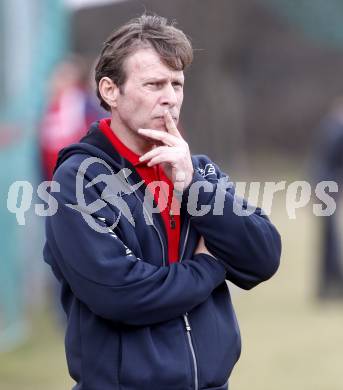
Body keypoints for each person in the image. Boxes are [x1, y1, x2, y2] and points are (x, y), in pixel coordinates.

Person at [43, 14, 281, 390]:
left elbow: (263, 258)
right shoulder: (77, 180)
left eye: (177, 84)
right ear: (110, 91)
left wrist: (194, 188)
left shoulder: (198, 171)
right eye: (154, 84)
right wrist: (208, 266)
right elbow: (122, 295)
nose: (170, 97)